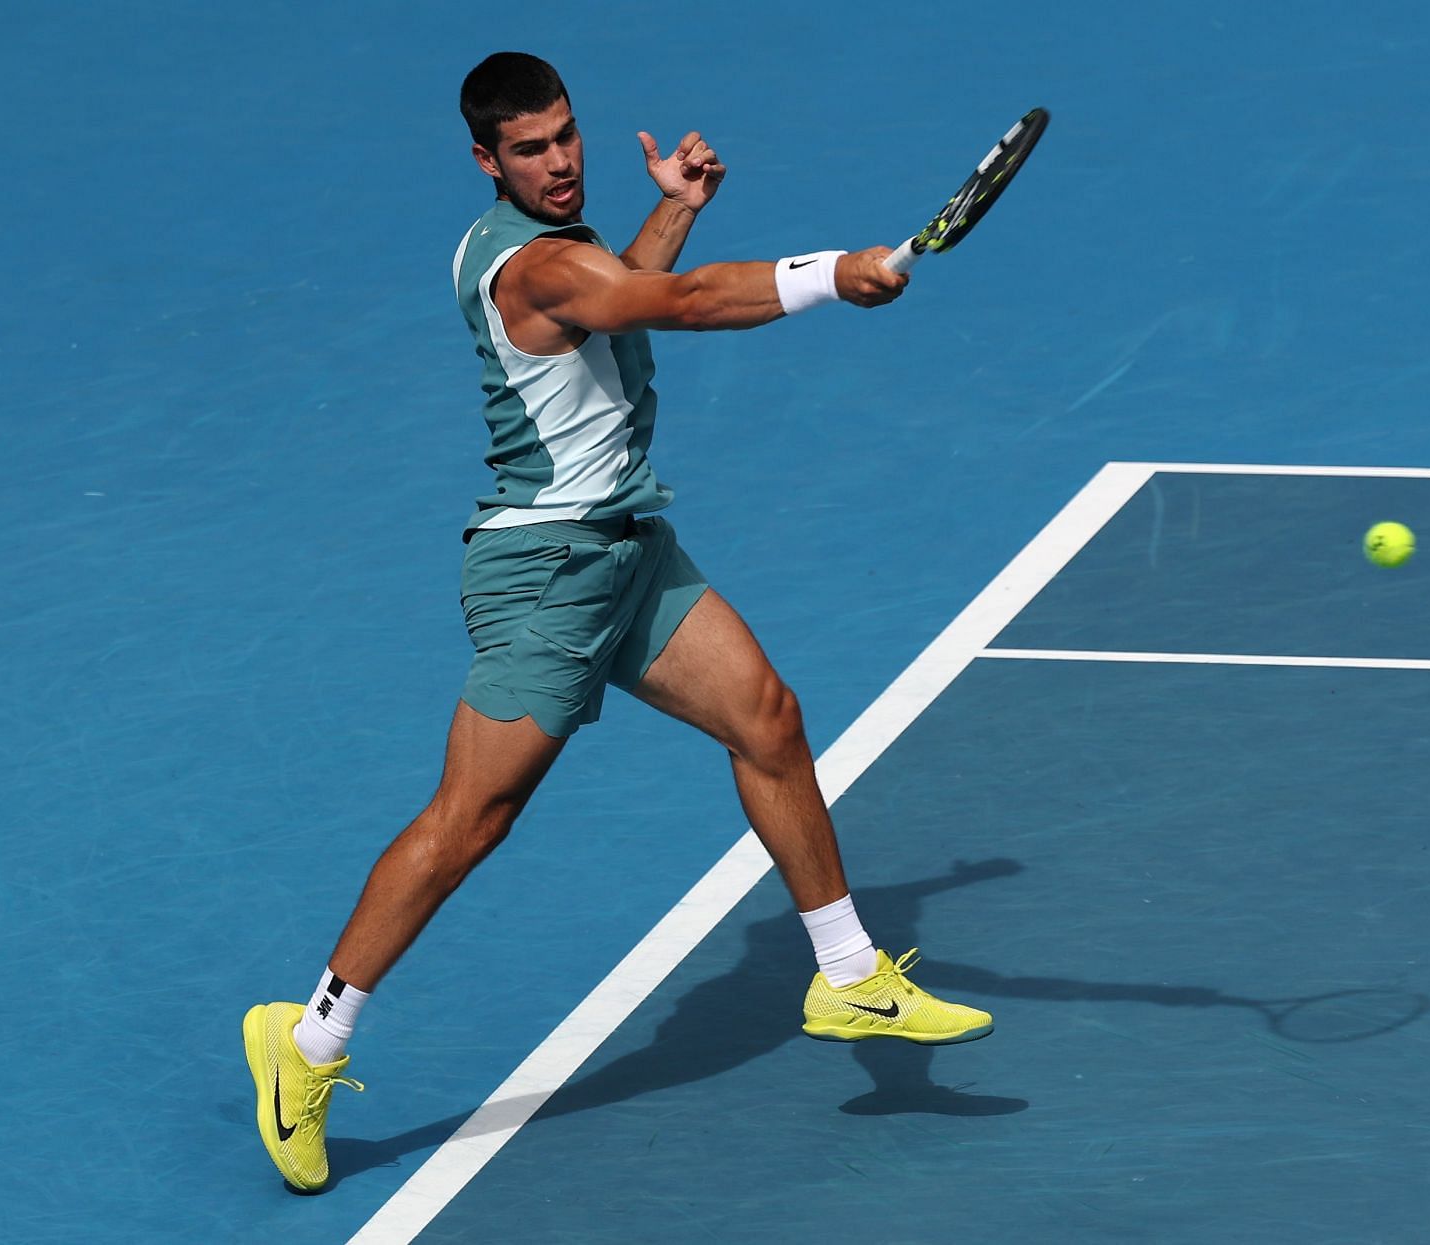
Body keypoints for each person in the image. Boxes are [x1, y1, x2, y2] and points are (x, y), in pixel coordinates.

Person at [242, 51, 992, 1192]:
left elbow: (629, 292)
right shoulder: (534, 268)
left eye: (566, 135)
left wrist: (670, 213)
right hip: (546, 576)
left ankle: (848, 973)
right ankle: (306, 1043)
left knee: (769, 721)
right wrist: (830, 275)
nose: (558, 161)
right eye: (530, 149)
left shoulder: (571, 257)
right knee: (469, 823)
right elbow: (676, 306)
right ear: (486, 161)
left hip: (630, 556)